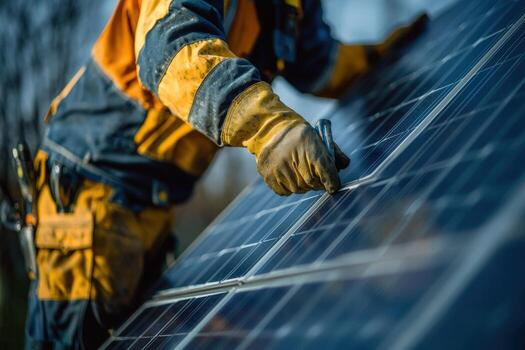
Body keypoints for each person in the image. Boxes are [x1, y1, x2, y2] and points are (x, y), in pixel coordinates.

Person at [25, 0, 427, 347]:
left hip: (147, 204)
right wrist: (268, 128)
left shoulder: (290, 8)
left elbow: (320, 66)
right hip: (86, 196)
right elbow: (172, 51)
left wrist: (380, 60)